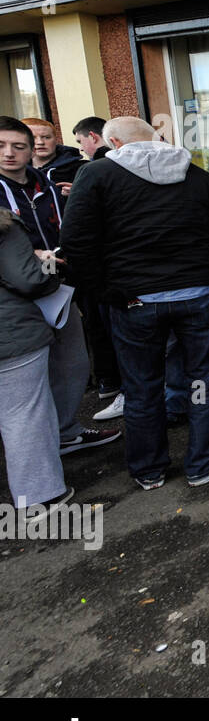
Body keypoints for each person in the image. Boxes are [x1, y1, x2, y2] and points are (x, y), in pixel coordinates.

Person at [60, 116, 209, 490]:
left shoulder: (95, 176)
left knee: (141, 387)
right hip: (197, 295)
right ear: (155, 138)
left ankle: (148, 469)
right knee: (203, 380)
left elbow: (76, 243)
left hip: (134, 300)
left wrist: (107, 292)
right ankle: (203, 463)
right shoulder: (197, 175)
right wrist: (204, 273)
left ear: (112, 142)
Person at [0, 116, 119, 457]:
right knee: (26, 386)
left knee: (72, 362)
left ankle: (66, 431)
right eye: (2, 146)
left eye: (19, 146)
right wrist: (28, 253)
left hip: (58, 284)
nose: (11, 153)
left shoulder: (47, 184)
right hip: (13, 298)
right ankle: (38, 456)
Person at [0, 208, 74, 519]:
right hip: (11, 335)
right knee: (24, 414)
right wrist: (48, 267)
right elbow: (28, 280)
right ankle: (39, 496)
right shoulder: (4, 227)